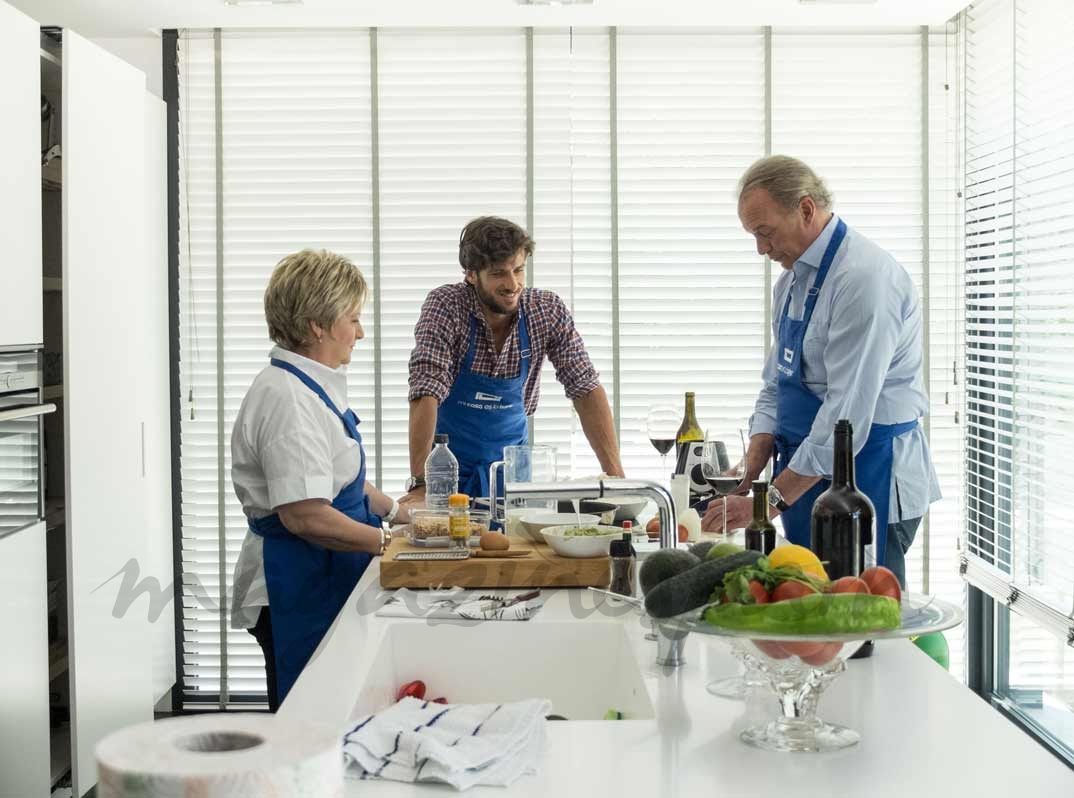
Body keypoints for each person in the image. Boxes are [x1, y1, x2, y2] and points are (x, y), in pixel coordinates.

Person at [702, 156, 939, 588]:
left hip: (868, 475)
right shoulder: (790, 283)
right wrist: (751, 469)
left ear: (806, 209)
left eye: (764, 231)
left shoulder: (864, 280)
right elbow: (778, 384)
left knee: (861, 621)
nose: (761, 248)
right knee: (809, 607)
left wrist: (770, 500)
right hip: (806, 473)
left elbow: (845, 418)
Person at [230, 249, 408, 710]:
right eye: (352, 318)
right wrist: (393, 544)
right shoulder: (287, 399)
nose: (360, 331)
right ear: (317, 325)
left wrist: (400, 515)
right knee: (310, 723)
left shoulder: (309, 384)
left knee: (342, 713)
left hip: (327, 572)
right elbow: (306, 516)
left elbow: (341, 481)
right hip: (300, 579)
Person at [404, 216, 624, 501]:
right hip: (449, 475)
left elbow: (585, 387)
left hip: (514, 477)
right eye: (498, 273)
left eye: (518, 270)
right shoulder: (446, 306)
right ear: (471, 274)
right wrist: (421, 483)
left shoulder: (545, 311)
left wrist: (616, 478)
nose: (512, 284)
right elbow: (426, 391)